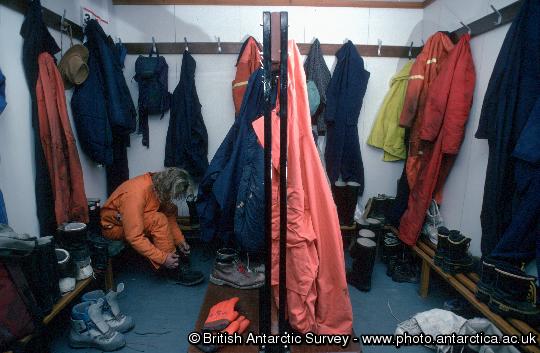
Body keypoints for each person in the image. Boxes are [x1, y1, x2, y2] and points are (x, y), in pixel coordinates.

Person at [100, 167, 204, 286]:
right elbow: (134, 236)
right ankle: (172, 271)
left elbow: (169, 215)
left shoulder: (157, 183)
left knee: (170, 208)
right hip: (114, 227)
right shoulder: (135, 195)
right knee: (158, 220)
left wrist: (180, 241)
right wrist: (163, 258)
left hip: (131, 218)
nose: (174, 197)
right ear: (168, 186)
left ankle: (174, 256)